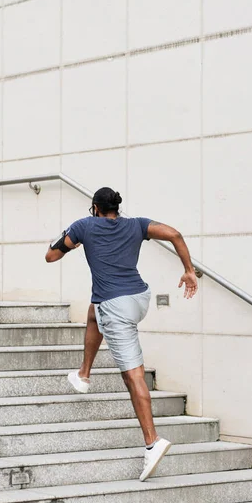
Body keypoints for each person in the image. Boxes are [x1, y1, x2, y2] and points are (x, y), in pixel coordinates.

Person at [45, 187, 198, 481]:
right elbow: (175, 234)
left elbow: (51, 256)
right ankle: (84, 374)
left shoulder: (83, 226)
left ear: (94, 207)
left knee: (133, 375)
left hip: (116, 307)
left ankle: (152, 442)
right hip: (139, 298)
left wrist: (70, 241)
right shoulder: (136, 224)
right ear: (117, 207)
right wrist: (188, 270)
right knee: (94, 311)